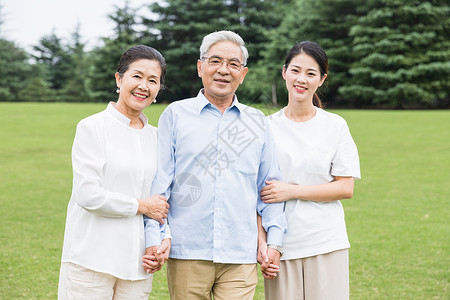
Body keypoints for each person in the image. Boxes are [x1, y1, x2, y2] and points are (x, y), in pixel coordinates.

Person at [144, 30, 286, 300]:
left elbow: (269, 189)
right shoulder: (175, 115)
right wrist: (155, 236)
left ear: (242, 74)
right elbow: (159, 186)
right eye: (215, 61)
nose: (224, 70)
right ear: (200, 67)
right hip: (188, 251)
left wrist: (274, 243)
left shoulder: (257, 122)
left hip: (240, 255)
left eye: (233, 64)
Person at [58, 45, 171, 300]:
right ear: (119, 79)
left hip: (138, 264)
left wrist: (166, 239)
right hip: (91, 261)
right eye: (137, 76)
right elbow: (88, 195)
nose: (144, 86)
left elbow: (162, 198)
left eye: (153, 81)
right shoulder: (92, 128)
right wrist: (141, 206)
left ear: (158, 90)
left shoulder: (157, 137)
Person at [260, 41, 361, 300]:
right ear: (284, 72)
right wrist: (264, 246)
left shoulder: (335, 126)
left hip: (326, 243)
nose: (301, 79)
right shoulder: (266, 127)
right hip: (281, 248)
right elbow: (256, 194)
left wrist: (292, 191)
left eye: (311, 73)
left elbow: (345, 187)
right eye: (295, 70)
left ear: (322, 80)